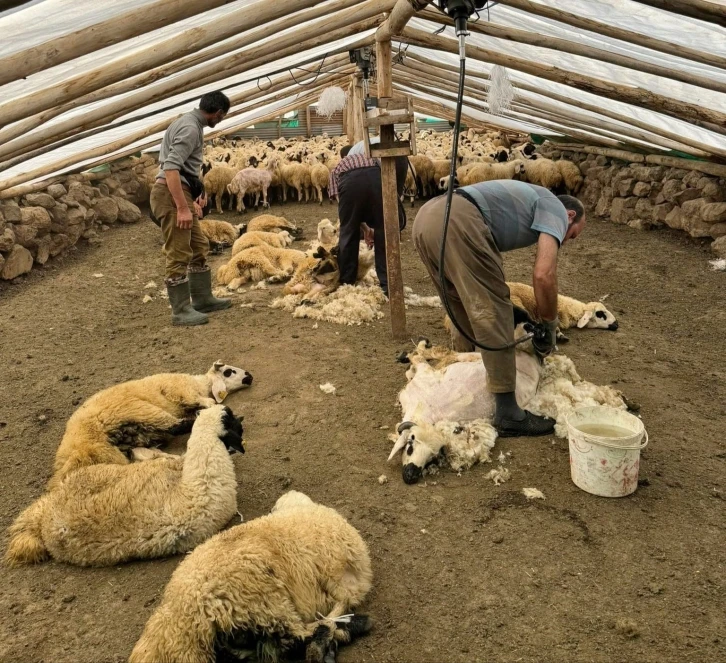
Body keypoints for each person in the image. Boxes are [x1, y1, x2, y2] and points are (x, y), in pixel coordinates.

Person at [412, 179, 586, 437]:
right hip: (460, 219)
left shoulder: (532, 197)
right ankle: (508, 413)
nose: (567, 240)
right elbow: (543, 275)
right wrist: (549, 325)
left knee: (461, 302)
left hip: (427, 218)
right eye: (572, 234)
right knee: (492, 312)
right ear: (570, 215)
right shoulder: (555, 207)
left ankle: (463, 371)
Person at [150, 91, 232, 326]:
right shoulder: (190, 128)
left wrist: (192, 197)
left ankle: (202, 298)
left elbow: (182, 168)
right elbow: (171, 167)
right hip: (170, 194)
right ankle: (181, 310)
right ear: (217, 112)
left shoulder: (186, 122)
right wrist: (182, 207)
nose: (221, 120)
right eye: (222, 116)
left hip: (180, 192)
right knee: (178, 251)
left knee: (199, 244)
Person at [328, 139, 407, 296]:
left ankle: (347, 281)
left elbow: (343, 207)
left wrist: (358, 225)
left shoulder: (337, 168)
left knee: (348, 232)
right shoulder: (367, 156)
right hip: (376, 176)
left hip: (349, 183)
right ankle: (387, 284)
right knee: (383, 230)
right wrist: (369, 228)